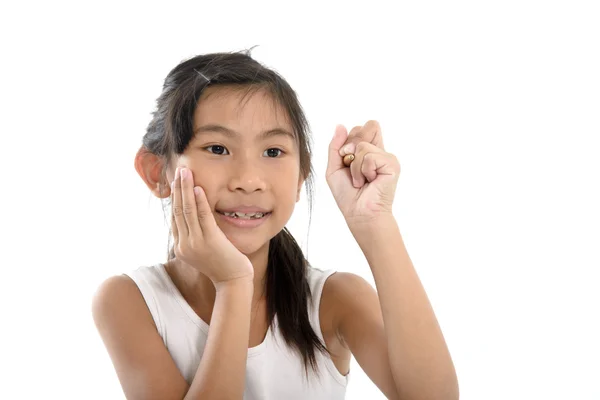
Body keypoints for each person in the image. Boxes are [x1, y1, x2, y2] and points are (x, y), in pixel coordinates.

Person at [91, 50, 459, 400]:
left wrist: (375, 223)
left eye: (273, 152)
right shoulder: (130, 300)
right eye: (218, 148)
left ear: (300, 177)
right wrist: (233, 285)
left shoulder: (333, 300)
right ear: (158, 173)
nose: (249, 180)